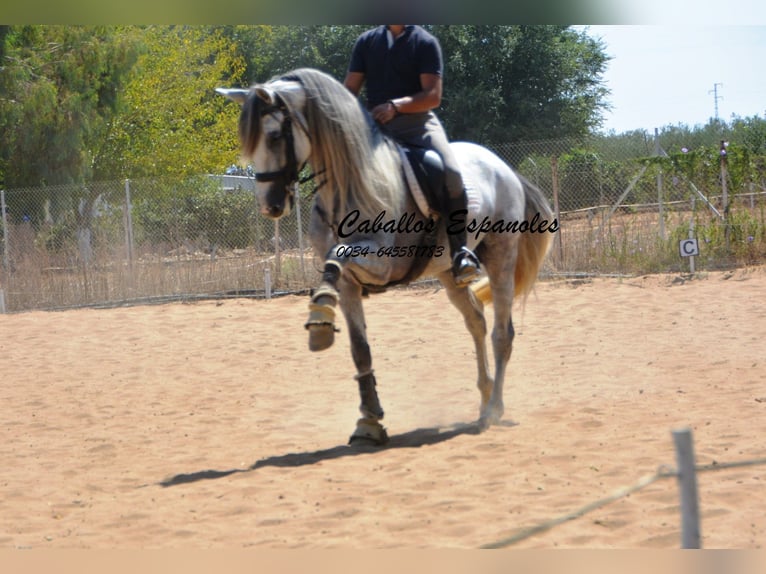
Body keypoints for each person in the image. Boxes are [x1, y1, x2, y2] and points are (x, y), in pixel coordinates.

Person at [343, 24, 481, 287]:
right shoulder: (366, 42)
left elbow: (432, 96)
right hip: (376, 128)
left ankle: (461, 253)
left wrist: (396, 106)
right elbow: (349, 91)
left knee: (450, 173)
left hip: (417, 124)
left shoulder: (424, 42)